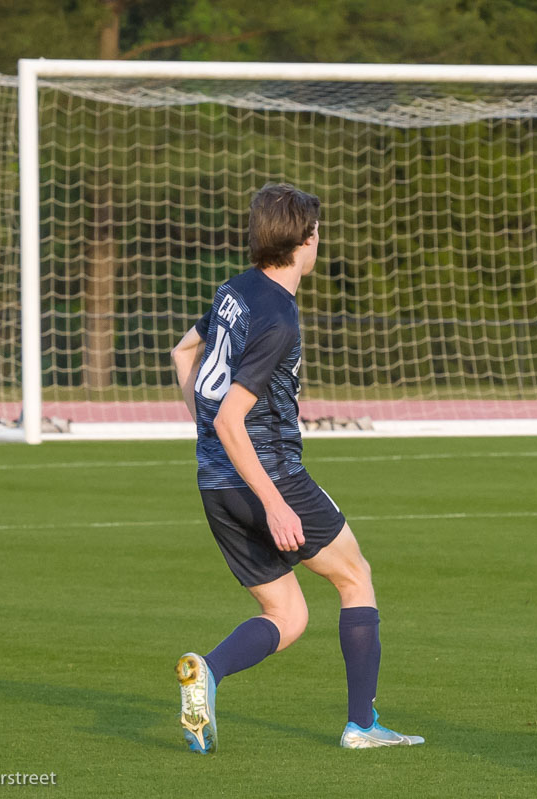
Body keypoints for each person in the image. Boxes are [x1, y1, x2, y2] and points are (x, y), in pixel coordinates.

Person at [169, 182, 423, 752]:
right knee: (355, 577)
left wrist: (207, 437)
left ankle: (207, 671)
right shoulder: (279, 317)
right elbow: (234, 419)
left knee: (287, 613)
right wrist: (275, 501)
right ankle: (362, 725)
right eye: (318, 231)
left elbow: (183, 354)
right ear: (306, 240)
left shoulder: (234, 289)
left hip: (216, 482)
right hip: (269, 475)